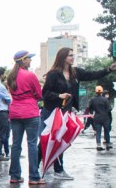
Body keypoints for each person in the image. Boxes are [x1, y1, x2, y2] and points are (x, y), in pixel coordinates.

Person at [40, 47, 116, 179]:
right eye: (70, 55)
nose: (73, 57)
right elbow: (45, 94)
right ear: (63, 57)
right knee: (46, 141)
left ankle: (58, 170)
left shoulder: (75, 73)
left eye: (73, 55)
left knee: (61, 141)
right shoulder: (53, 74)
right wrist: (59, 95)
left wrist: (109, 69)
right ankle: (35, 170)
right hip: (51, 111)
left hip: (65, 112)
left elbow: (92, 75)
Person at [7, 50, 43, 185]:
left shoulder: (10, 77)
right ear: (23, 60)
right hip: (30, 112)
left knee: (16, 144)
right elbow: (39, 94)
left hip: (15, 112)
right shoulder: (30, 75)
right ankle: (34, 177)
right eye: (29, 58)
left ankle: (15, 176)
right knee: (32, 144)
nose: (31, 61)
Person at [89, 86, 112, 151]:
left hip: (97, 118)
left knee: (98, 132)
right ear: (102, 92)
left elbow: (90, 108)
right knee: (106, 131)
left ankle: (98, 145)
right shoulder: (105, 99)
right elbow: (109, 108)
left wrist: (92, 113)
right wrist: (105, 112)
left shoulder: (92, 100)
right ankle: (108, 144)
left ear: (95, 92)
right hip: (105, 118)